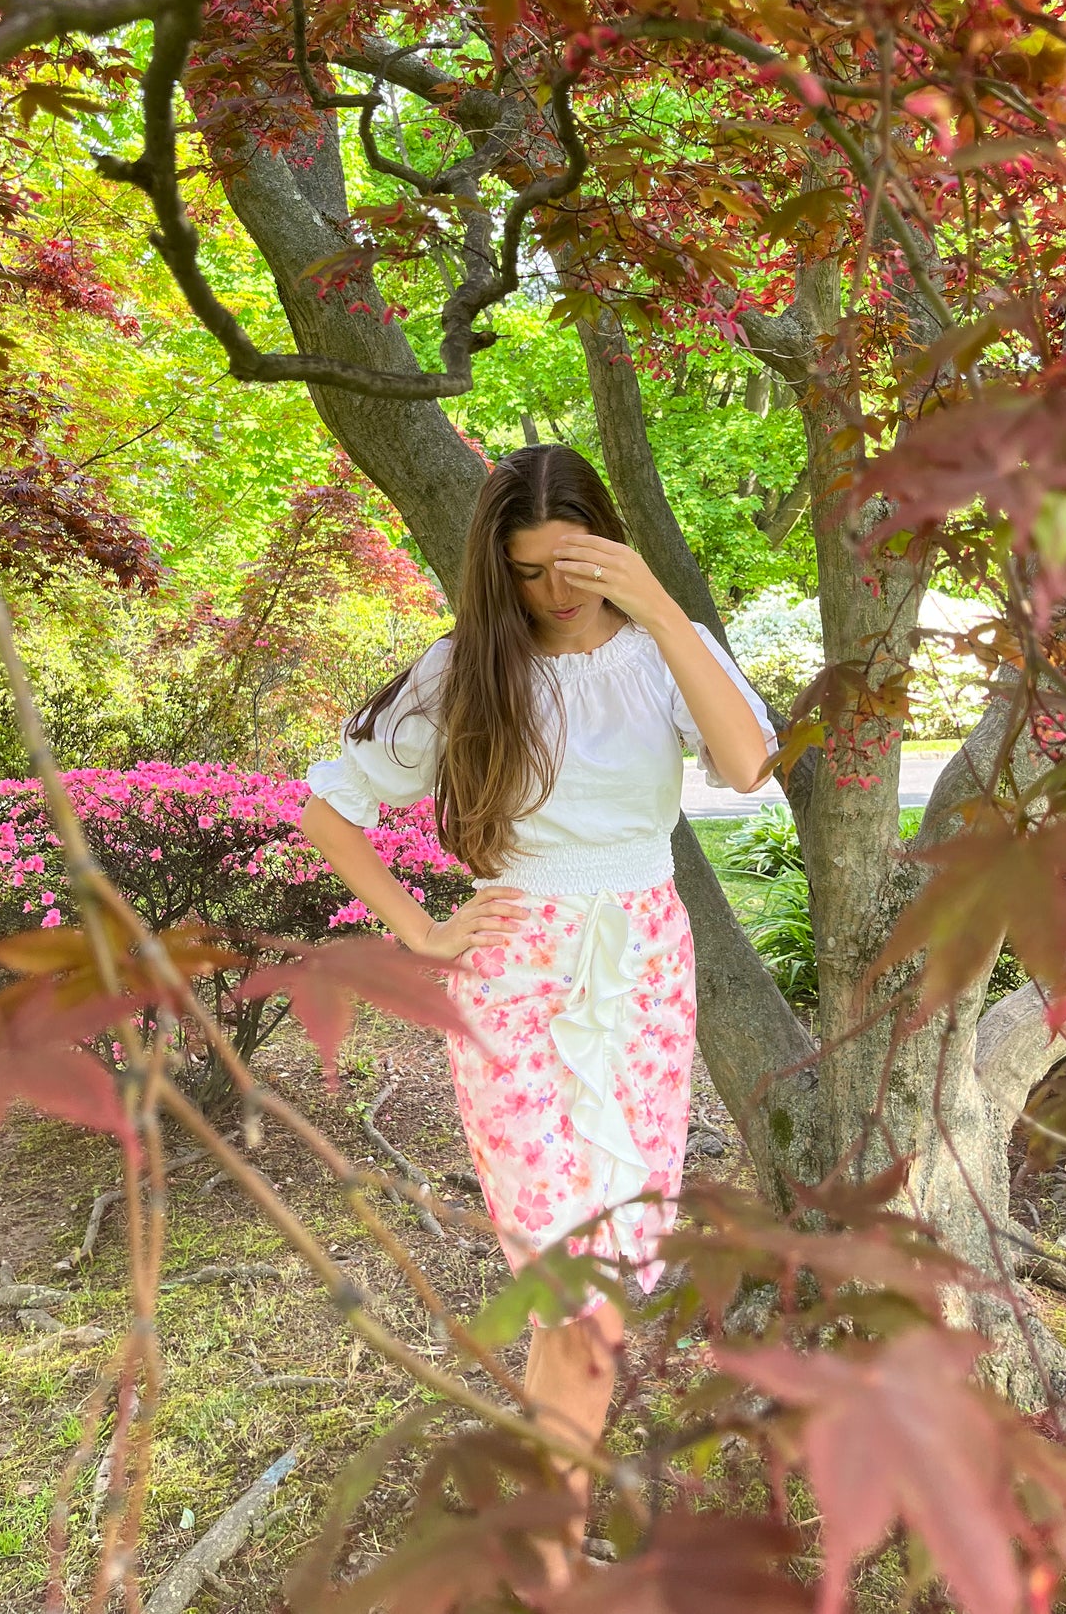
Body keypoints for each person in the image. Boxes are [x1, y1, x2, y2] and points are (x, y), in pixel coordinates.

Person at [298, 444, 773, 1571]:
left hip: (644, 975)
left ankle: (544, 1543)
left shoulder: (668, 650)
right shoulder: (466, 665)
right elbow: (328, 804)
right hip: (516, 981)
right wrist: (420, 928)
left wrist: (659, 605)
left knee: (604, 1288)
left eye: (574, 565)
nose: (554, 593)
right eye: (526, 572)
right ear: (493, 570)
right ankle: (550, 1557)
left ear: (609, 546)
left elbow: (748, 762)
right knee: (573, 1293)